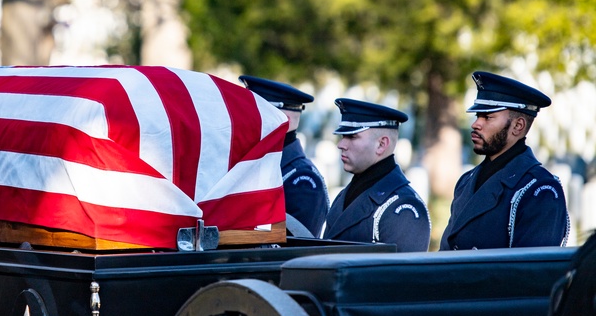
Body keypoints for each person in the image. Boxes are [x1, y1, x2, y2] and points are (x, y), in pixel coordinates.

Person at [439, 71, 569, 250]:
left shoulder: (540, 189)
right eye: (477, 115)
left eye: (487, 117)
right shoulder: (466, 181)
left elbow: (531, 272)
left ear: (518, 126)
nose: (476, 124)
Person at [322, 98, 430, 252]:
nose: (341, 145)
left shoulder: (403, 207)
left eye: (352, 137)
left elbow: (402, 274)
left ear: (381, 144)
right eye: (342, 136)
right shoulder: (347, 194)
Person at [240, 75, 329, 237]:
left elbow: (292, 248)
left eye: (255, 112)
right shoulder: (256, 163)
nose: (246, 119)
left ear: (283, 120)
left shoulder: (303, 180)